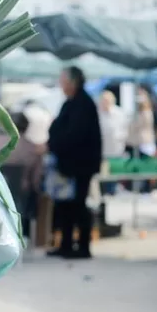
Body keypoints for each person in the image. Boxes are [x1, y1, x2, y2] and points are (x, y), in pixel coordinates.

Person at [46, 66, 102, 259]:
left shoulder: (83, 104)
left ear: (72, 82)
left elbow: (74, 135)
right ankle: (66, 244)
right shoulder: (71, 104)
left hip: (80, 165)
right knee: (65, 206)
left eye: (63, 81)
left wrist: (55, 142)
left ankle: (83, 246)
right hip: (68, 165)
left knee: (78, 205)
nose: (61, 85)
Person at [97, 90, 128, 195]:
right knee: (103, 173)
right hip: (103, 149)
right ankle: (104, 192)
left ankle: (112, 190)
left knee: (114, 172)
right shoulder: (98, 113)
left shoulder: (119, 113)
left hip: (116, 148)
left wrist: (119, 138)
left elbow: (124, 129)